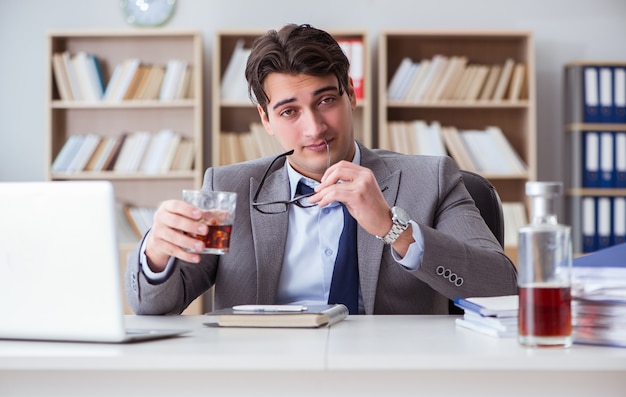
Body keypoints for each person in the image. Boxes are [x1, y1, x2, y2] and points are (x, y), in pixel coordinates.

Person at [126, 23, 517, 315]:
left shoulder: (431, 179)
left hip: (392, 379)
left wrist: (392, 227)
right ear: (265, 119)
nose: (314, 128)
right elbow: (152, 306)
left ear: (350, 93)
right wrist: (157, 255)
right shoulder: (230, 188)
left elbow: (501, 286)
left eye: (326, 100)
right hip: (265, 378)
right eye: (289, 111)